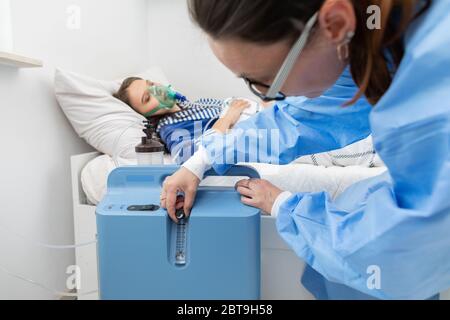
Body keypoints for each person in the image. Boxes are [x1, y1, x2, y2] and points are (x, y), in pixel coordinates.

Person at [160, 0, 450, 299]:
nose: (268, 96)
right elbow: (297, 121)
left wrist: (287, 208)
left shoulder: (436, 67)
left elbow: (406, 246)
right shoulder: (371, 38)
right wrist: (200, 160)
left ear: (335, 23)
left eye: (265, 82)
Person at [113, 77, 251, 163]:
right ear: (146, 115)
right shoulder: (171, 128)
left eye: (151, 84)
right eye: (147, 98)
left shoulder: (198, 103)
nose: (157, 91)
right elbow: (186, 158)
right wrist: (227, 119)